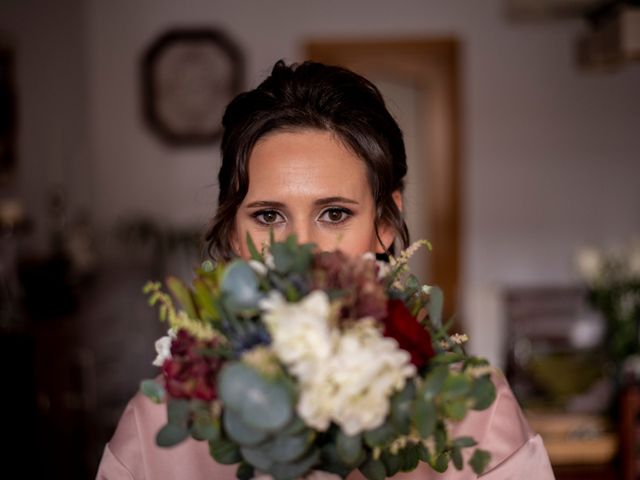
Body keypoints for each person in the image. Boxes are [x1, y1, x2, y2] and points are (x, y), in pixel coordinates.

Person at [96, 60, 554, 479]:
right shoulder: (158, 420)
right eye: (268, 216)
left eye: (334, 214)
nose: (301, 251)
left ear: (385, 224)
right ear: (234, 234)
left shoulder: (473, 411)